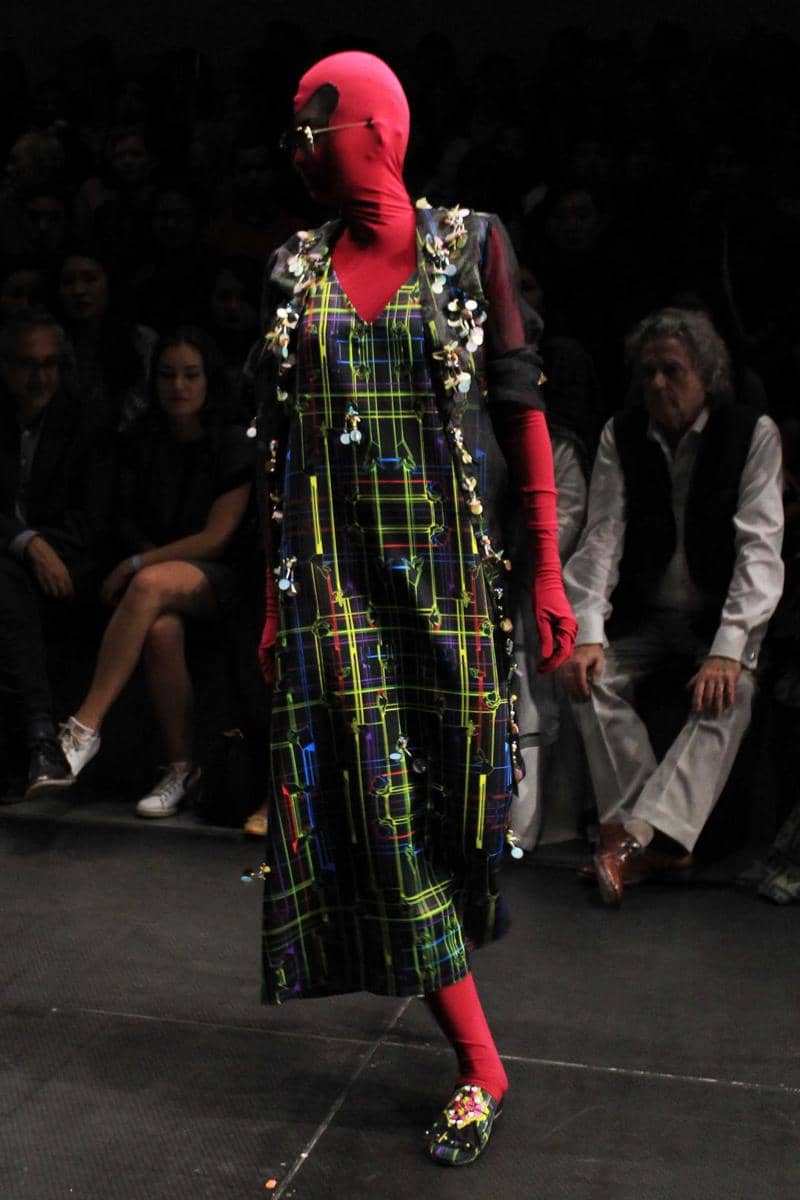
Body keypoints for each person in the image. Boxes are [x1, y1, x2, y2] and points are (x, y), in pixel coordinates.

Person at [253, 51, 576, 1167]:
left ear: (378, 130)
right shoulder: (294, 270)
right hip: (335, 586)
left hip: (445, 584)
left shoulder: (470, 245)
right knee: (379, 813)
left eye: (316, 124)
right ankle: (481, 1065)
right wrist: (275, 596)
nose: (301, 148)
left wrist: (545, 570)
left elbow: (520, 408)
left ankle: (469, 1038)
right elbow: (280, 450)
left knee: (449, 813)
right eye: (294, 131)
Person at [560, 307, 784, 904]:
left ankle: (629, 839)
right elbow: (602, 538)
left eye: (673, 370)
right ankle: (656, 841)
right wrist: (588, 632)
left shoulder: (752, 434)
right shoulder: (622, 434)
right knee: (586, 677)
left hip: (713, 619)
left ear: (706, 375)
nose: (658, 383)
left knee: (733, 692)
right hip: (647, 615)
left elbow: (759, 549)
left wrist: (729, 648)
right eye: (649, 372)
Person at [58, 327, 255, 817]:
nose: (178, 386)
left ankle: (83, 728)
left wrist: (137, 563)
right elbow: (127, 521)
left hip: (223, 577)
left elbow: (217, 538)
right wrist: (140, 554)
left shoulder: (232, 441)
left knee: (147, 585)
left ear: (209, 379)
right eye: (167, 375)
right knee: (161, 629)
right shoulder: (143, 440)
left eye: (190, 374)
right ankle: (181, 769)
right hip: (163, 578)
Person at [0, 309, 104, 800]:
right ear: (5, 366)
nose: (39, 377)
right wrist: (28, 543)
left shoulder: (83, 422)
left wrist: (39, 547)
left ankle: (41, 738)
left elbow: (91, 522)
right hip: (19, 562)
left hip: (67, 567)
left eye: (49, 364)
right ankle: (41, 737)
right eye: (27, 364)